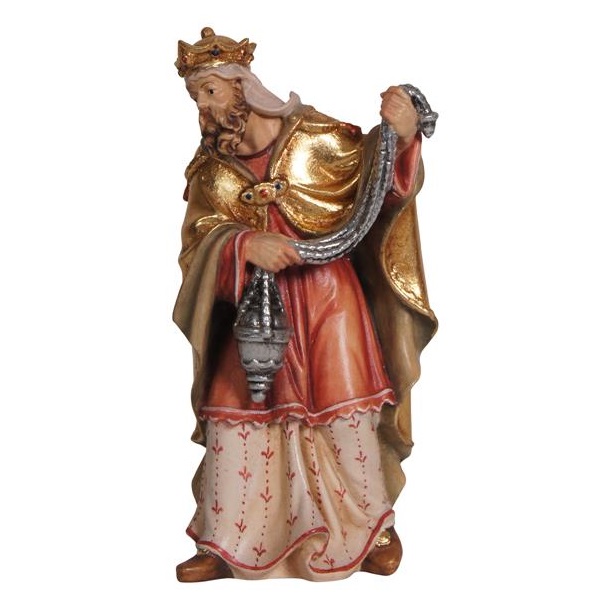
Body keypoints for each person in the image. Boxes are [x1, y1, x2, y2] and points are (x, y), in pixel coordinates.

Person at [172, 27, 437, 582]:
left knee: (343, 411)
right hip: (252, 311)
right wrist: (244, 245)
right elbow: (196, 244)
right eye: (196, 96)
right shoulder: (211, 171)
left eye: (210, 92)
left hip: (327, 300)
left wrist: (404, 133)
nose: (203, 107)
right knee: (237, 415)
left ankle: (370, 530)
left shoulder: (317, 137)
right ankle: (226, 539)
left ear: (242, 88)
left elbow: (381, 184)